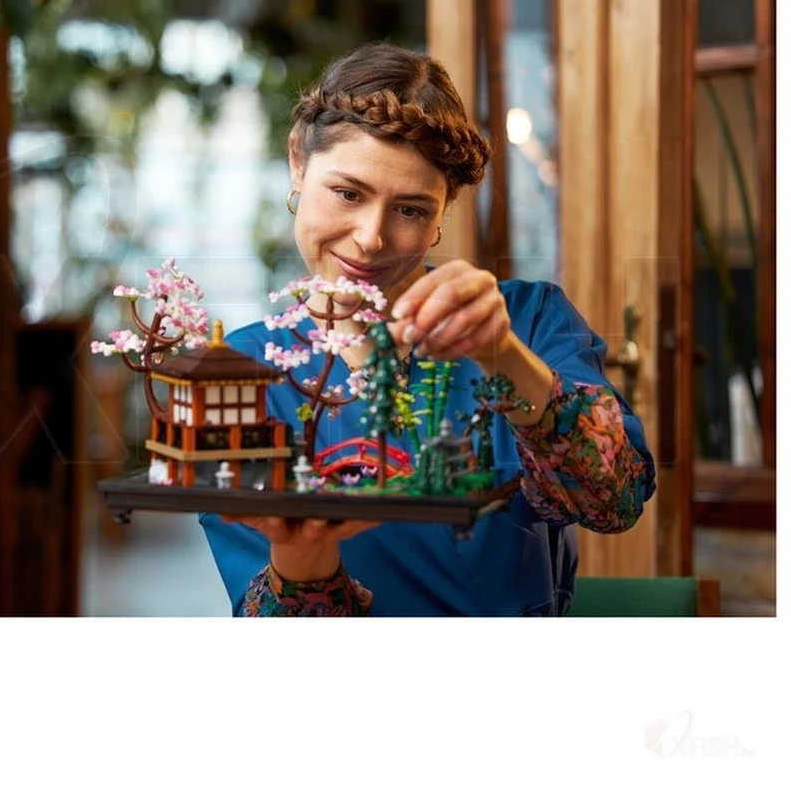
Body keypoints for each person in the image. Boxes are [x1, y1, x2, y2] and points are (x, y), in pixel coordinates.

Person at [198, 43, 656, 616]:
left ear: (445, 208)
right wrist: (300, 551)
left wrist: (503, 355)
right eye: (347, 193)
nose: (370, 238)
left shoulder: (528, 321)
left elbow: (615, 503)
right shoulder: (237, 373)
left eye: (411, 209)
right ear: (298, 161)